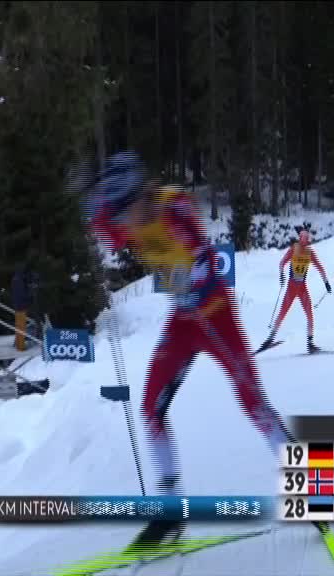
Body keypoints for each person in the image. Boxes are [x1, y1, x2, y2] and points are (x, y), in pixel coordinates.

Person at [90, 152, 296, 548]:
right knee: (150, 408)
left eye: (125, 212)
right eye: (119, 215)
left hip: (215, 314)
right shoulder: (127, 216)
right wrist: (94, 205)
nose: (124, 224)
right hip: (184, 321)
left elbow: (201, 258)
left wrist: (186, 276)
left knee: (253, 404)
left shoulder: (173, 205)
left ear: (139, 195)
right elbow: (103, 226)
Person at [259, 228, 331, 354]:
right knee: (283, 313)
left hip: (301, 287)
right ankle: (269, 340)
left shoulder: (309, 252)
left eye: (307, 238)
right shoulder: (294, 249)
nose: (305, 240)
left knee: (309, 314)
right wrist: (281, 275)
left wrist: (326, 283)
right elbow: (282, 263)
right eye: (304, 237)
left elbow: (320, 267)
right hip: (292, 287)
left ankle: (310, 344)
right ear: (300, 238)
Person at [11, 266, 32, 351]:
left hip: (18, 305)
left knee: (19, 326)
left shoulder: (15, 279)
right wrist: (29, 295)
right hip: (21, 306)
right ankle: (21, 347)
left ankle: (18, 344)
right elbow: (22, 294)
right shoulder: (19, 281)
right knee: (21, 327)